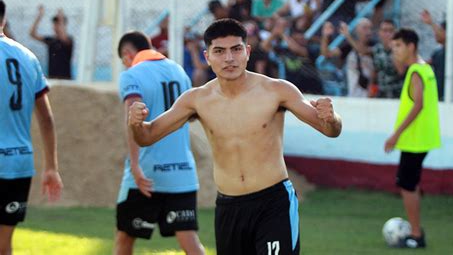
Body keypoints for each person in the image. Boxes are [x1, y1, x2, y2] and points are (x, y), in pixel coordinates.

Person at [129, 18, 342, 254]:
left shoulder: (277, 90)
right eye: (219, 51)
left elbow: (329, 130)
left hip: (273, 204)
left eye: (236, 49)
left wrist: (332, 119)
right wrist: (136, 124)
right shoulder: (196, 100)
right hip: (229, 207)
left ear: (247, 52)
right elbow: (147, 136)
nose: (229, 58)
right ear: (207, 56)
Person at [115, 31, 204, 255]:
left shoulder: (131, 74)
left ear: (127, 54)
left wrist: (134, 165)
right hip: (182, 173)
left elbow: (133, 120)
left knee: (124, 240)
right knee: (190, 241)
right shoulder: (179, 71)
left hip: (146, 174)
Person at [0, 0, 63, 255]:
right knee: (4, 245)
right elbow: (46, 118)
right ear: (4, 20)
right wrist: (51, 166)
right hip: (19, 165)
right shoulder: (28, 57)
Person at [384, 28, 441, 249]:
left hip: (414, 139)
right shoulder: (424, 68)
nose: (395, 50)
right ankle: (416, 230)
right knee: (411, 183)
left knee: (407, 184)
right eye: (393, 47)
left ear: (411, 46)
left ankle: (416, 235)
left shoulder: (416, 72)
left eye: (398, 46)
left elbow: (418, 104)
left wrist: (395, 135)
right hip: (422, 138)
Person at [29, 5, 74, 79]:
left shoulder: (69, 40)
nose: (56, 27)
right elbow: (32, 34)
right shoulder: (51, 40)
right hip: (52, 77)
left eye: (58, 24)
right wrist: (39, 16)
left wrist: (61, 18)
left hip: (65, 78)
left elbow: (63, 37)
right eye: (55, 24)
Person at [371, 19, 404, 98]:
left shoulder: (401, 49)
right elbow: (375, 71)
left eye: (391, 31)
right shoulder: (377, 49)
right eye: (385, 31)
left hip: (397, 94)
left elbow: (401, 71)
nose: (388, 34)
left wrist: (393, 49)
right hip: (381, 93)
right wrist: (371, 90)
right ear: (380, 33)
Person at [420, 9, 446, 100]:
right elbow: (424, 64)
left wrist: (431, 23)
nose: (436, 34)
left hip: (448, 95)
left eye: (440, 30)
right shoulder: (437, 53)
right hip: (435, 95)